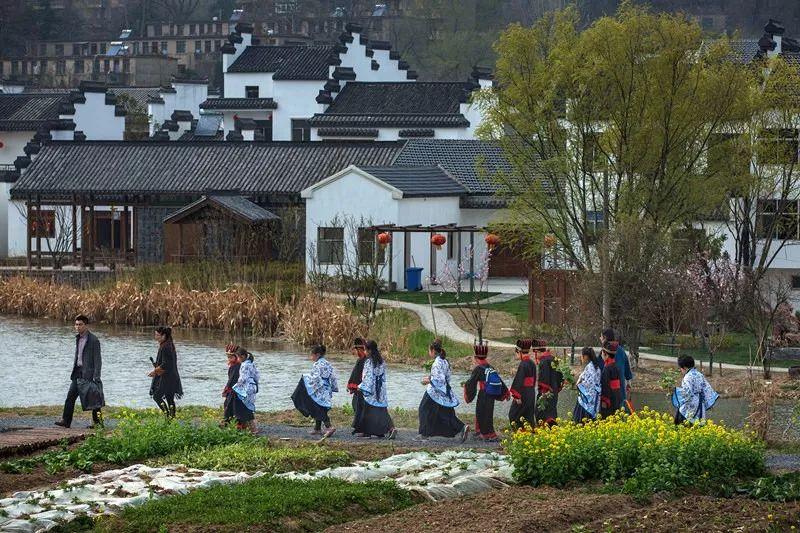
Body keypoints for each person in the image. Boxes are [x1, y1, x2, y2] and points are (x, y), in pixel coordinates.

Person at [56, 315, 104, 429]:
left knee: (94, 400)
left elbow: (98, 360)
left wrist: (96, 377)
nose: (78, 327)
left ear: (86, 325)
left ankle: (98, 424)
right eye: (76, 324)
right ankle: (66, 421)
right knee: (70, 397)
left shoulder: (94, 340)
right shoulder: (78, 338)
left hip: (89, 375)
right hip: (77, 373)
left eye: (80, 324)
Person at [418, 340, 469, 441]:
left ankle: (424, 434)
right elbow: (447, 377)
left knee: (423, 409)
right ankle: (462, 427)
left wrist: (428, 380)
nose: (429, 352)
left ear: (433, 350)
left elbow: (438, 380)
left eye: (429, 350)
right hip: (444, 392)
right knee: (445, 414)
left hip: (434, 393)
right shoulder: (445, 361)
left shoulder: (437, 363)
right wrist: (431, 378)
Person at [291, 345, 338, 438]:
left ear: (317, 355)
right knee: (320, 406)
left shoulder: (317, 364)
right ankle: (317, 428)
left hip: (320, 389)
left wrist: (306, 379)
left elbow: (315, 378)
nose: (311, 357)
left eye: (311, 355)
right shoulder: (327, 363)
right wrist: (333, 388)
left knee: (318, 408)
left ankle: (329, 427)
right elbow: (333, 377)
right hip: (326, 389)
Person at [354, 340, 397, 439]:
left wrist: (361, 387)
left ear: (369, 350)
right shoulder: (381, 361)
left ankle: (384, 429)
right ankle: (384, 430)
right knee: (381, 410)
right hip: (380, 390)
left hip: (371, 390)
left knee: (369, 411)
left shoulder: (369, 362)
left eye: (365, 350)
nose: (364, 352)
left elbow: (368, 377)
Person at [464, 348, 509, 441]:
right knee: (488, 413)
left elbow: (471, 382)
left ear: (476, 358)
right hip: (491, 394)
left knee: (481, 412)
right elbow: (499, 380)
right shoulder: (490, 367)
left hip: (483, 393)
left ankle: (485, 434)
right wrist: (506, 392)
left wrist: (466, 387)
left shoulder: (478, 369)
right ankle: (487, 433)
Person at [672, 355, 719, 424]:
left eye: (680, 368)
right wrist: (709, 403)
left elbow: (686, 393)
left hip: (690, 404)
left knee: (683, 422)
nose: (680, 370)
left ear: (684, 367)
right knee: (698, 423)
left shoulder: (687, 377)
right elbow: (707, 389)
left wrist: (675, 391)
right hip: (700, 404)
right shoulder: (699, 375)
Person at [148, 326, 183, 418]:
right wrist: (157, 368)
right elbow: (166, 363)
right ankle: (171, 418)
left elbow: (166, 364)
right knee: (169, 398)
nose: (155, 337)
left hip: (168, 377)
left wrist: (155, 371)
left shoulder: (165, 347)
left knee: (157, 396)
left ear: (163, 336)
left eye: (157, 335)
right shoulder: (168, 344)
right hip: (172, 376)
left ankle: (167, 415)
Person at [601, 328, 634, 409]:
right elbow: (628, 372)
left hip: (609, 392)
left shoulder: (605, 351)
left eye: (601, 336)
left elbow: (600, 371)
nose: (600, 338)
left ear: (604, 338)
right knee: (620, 411)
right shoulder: (621, 350)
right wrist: (628, 385)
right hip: (620, 390)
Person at [509, 339, 537, 429]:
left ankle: (520, 434)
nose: (516, 355)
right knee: (528, 416)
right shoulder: (532, 363)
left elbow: (519, 380)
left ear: (519, 352)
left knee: (513, 415)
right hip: (531, 393)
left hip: (523, 393)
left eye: (516, 353)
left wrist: (517, 396)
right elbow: (534, 379)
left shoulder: (523, 364)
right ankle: (529, 433)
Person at [535, 340, 563, 426]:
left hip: (546, 393)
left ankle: (545, 431)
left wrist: (543, 392)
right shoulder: (554, 359)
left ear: (538, 351)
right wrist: (557, 388)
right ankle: (554, 431)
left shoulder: (543, 361)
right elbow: (560, 375)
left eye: (535, 352)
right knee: (552, 411)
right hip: (554, 391)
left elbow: (544, 378)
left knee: (541, 412)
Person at [232, 347, 259, 433]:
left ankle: (253, 429)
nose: (238, 359)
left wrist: (236, 386)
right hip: (252, 387)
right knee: (248, 407)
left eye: (238, 357)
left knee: (245, 408)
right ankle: (249, 428)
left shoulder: (244, 365)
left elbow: (243, 379)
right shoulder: (251, 363)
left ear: (242, 356)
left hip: (246, 388)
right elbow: (257, 376)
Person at [573, 347, 602, 423]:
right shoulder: (595, 367)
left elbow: (588, 385)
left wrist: (578, 385)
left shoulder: (590, 368)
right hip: (594, 399)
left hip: (586, 400)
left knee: (581, 421)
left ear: (585, 356)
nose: (581, 357)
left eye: (581, 355)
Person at [347, 338, 368, 436]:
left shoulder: (364, 361)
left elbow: (358, 375)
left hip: (362, 389)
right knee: (357, 406)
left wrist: (353, 387)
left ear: (359, 349)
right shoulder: (363, 360)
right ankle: (362, 428)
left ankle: (364, 429)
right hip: (361, 389)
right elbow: (355, 374)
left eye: (355, 350)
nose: (355, 352)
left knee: (359, 407)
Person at [599, 341, 623, 418]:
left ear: (605, 354)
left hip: (608, 402)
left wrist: (604, 401)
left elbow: (605, 387)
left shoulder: (607, 368)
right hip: (617, 399)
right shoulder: (616, 366)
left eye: (601, 353)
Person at [221, 343, 241, 426]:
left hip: (235, 390)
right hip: (233, 389)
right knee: (228, 405)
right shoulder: (233, 365)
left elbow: (233, 379)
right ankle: (229, 422)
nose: (229, 359)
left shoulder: (237, 366)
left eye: (231, 357)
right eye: (228, 357)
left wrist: (227, 388)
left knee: (231, 406)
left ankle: (230, 422)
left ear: (236, 357)